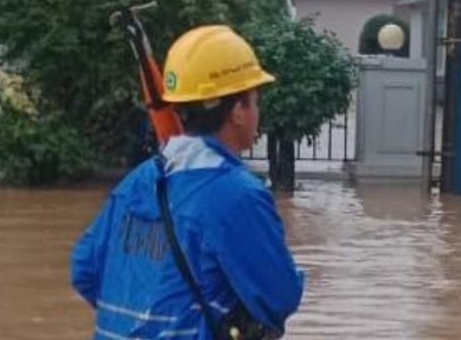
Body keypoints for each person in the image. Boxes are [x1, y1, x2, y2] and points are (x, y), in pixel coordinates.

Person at [71, 25, 304, 340]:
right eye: (254, 99)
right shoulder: (239, 194)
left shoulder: (137, 181)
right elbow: (278, 298)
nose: (257, 110)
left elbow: (84, 271)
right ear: (237, 111)